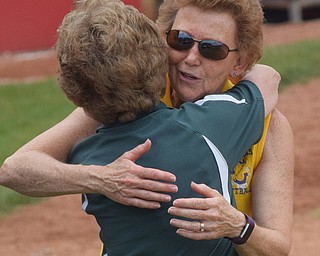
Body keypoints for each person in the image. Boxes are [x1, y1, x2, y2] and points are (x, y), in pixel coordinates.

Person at [0, 0, 294, 255]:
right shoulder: (127, 101)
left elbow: (277, 248)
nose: (190, 58)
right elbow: (16, 169)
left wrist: (237, 226)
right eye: (180, 40)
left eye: (211, 49)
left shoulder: (269, 127)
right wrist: (100, 178)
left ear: (239, 63)